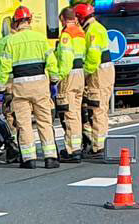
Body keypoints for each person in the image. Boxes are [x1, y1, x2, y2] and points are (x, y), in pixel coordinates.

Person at [0, 6, 62, 169]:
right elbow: (51, 62)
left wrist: (1, 88)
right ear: (29, 20)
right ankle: (50, 158)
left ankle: (28, 159)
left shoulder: (11, 41)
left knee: (24, 123)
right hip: (40, 85)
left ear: (15, 22)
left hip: (21, 87)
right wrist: (54, 80)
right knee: (44, 121)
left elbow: (4, 68)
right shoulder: (40, 39)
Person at [77, 2, 115, 160]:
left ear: (81, 18)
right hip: (102, 73)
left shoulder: (93, 30)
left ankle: (98, 147)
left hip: (98, 74)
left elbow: (93, 57)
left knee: (97, 109)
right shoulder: (96, 28)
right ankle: (97, 144)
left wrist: (84, 73)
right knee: (98, 108)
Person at [54, 7, 87, 163]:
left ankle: (72, 150)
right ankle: (77, 146)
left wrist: (59, 76)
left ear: (63, 19)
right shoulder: (80, 33)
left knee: (69, 113)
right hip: (80, 74)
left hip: (69, 74)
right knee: (76, 112)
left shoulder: (67, 34)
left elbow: (66, 59)